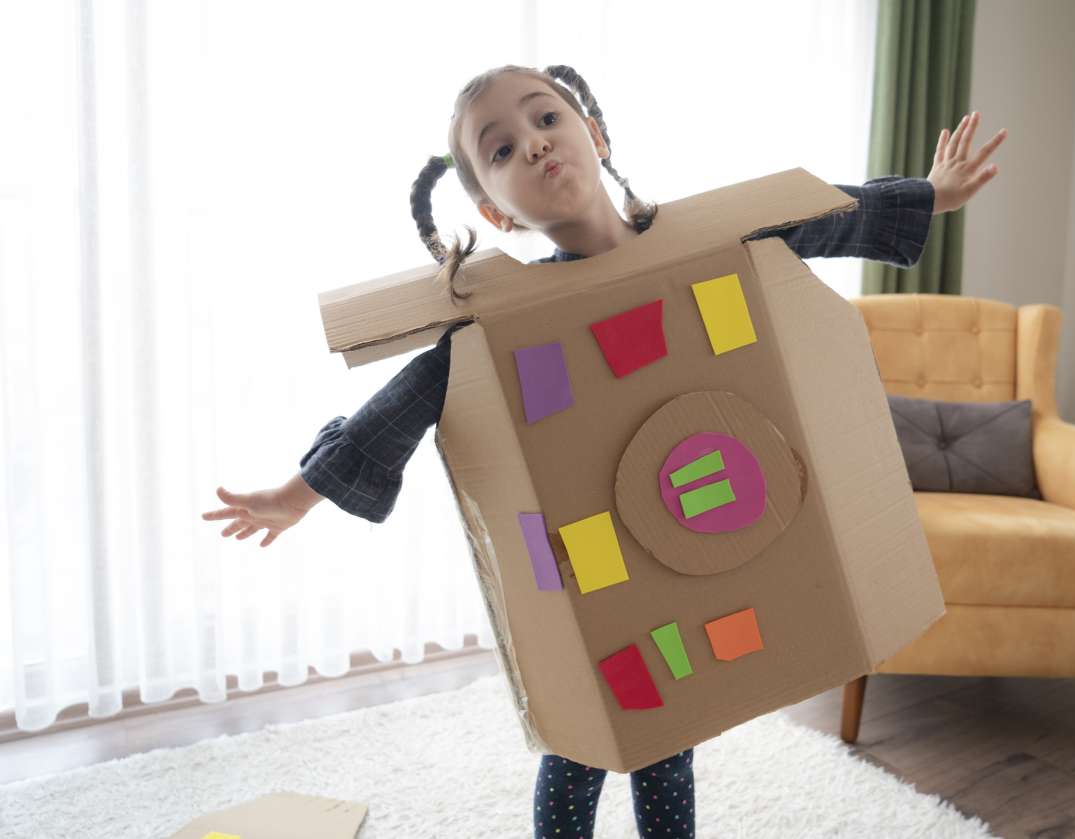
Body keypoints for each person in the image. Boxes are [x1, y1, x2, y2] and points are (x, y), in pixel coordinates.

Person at [202, 63, 1006, 839]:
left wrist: (931, 194)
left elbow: (819, 216)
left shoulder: (710, 242)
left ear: (594, 134)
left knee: (669, 736)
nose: (536, 142)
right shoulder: (503, 322)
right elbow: (403, 402)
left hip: (689, 548)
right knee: (583, 738)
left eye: (545, 118)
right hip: (594, 565)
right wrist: (298, 492)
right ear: (495, 213)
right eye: (502, 148)